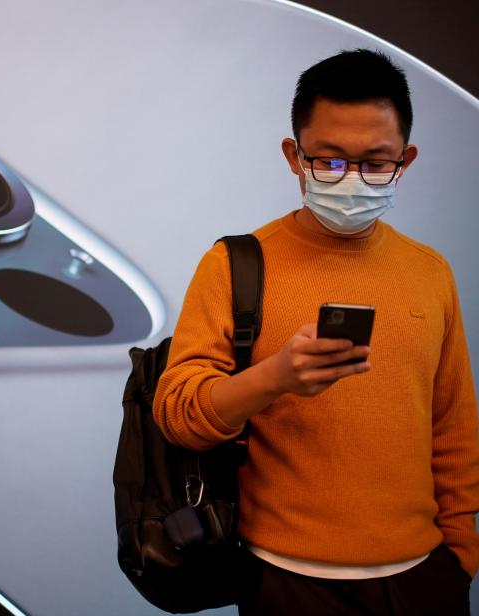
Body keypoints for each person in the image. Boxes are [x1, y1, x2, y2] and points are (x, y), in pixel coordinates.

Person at [152, 48, 479, 615]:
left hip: (424, 578)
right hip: (283, 579)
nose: (351, 180)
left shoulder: (430, 271)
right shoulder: (234, 264)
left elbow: (452, 426)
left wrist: (460, 556)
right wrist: (274, 377)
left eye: (376, 163)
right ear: (293, 154)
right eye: (328, 161)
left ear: (407, 158)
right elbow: (177, 414)